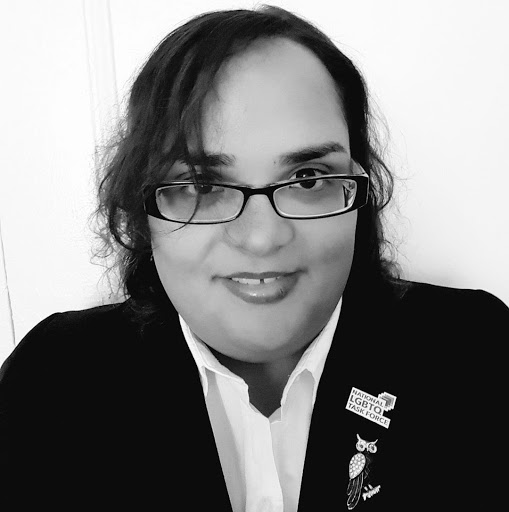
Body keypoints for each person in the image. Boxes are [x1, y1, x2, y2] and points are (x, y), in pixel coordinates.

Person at [1, 5, 507, 511]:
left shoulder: (479, 358)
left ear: (360, 188)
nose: (262, 238)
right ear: (142, 203)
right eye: (202, 184)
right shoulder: (52, 387)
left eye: (308, 178)